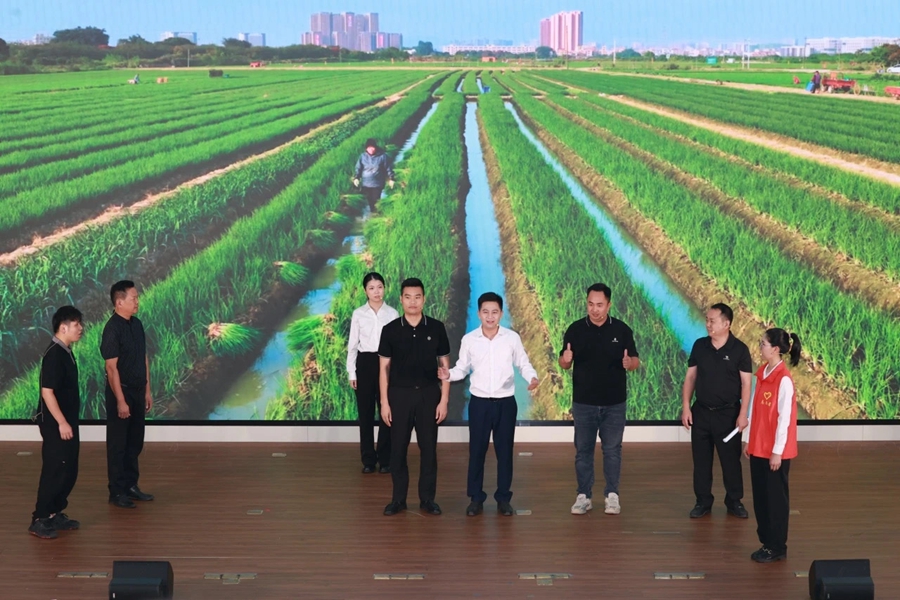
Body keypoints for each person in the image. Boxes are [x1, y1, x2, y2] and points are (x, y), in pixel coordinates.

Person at [440, 292, 539, 517]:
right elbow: (462, 368)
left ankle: (503, 498)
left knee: (505, 453)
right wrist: (449, 374)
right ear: (478, 314)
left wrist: (532, 377)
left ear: (501, 314)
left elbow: (523, 363)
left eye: (495, 312)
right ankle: (476, 498)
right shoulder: (469, 339)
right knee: (477, 451)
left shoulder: (511, 338)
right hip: (480, 404)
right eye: (485, 312)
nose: (490, 316)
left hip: (505, 403)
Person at [559, 283, 640, 516]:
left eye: (600, 305)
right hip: (584, 403)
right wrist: (565, 359)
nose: (595, 310)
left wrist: (630, 364)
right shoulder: (575, 329)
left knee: (612, 450)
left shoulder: (622, 330)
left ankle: (612, 495)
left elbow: (635, 361)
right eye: (591, 304)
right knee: (583, 451)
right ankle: (583, 496)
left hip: (614, 403)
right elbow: (563, 363)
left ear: (609, 305)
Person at [377, 278, 450, 516]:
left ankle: (427, 499)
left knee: (428, 449)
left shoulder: (436, 328)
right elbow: (383, 369)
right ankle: (398, 500)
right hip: (399, 396)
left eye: (417, 297)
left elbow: (445, 366)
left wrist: (444, 400)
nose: (413, 302)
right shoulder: (390, 330)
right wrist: (385, 403)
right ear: (401, 299)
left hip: (429, 395)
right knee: (398, 449)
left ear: (424, 299)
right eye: (408, 297)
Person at [681, 303, 752, 519]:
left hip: (728, 415)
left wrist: (743, 414)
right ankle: (703, 502)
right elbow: (691, 377)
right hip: (701, 412)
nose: (708, 324)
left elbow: (746, 384)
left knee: (731, 462)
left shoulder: (739, 349)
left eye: (712, 321)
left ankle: (734, 501)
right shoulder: (700, 346)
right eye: (707, 320)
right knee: (701, 462)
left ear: (726, 323)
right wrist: (686, 406)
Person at [744, 328, 801, 563]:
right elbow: (754, 409)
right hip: (758, 447)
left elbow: (784, 419)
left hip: (774, 452)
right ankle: (766, 543)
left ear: (775, 349)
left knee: (775, 500)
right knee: (761, 497)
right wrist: (748, 439)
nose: (760, 347)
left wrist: (777, 452)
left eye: (763, 344)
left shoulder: (783, 379)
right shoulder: (763, 373)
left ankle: (777, 546)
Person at [29, 306, 84, 539]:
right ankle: (40, 518)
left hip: (67, 422)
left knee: (68, 469)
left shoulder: (65, 351)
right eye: (76, 324)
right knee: (55, 469)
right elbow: (47, 392)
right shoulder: (54, 354)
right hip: (56, 424)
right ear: (63, 327)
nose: (81, 328)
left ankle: (54, 512)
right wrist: (62, 422)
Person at [101, 280, 154, 509]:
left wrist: (147, 390)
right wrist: (121, 401)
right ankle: (117, 491)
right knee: (118, 444)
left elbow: (143, 358)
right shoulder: (112, 329)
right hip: (120, 393)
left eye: (137, 298)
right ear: (119, 302)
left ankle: (131, 485)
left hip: (138, 390)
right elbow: (111, 368)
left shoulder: (137, 324)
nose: (137, 302)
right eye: (134, 298)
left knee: (135, 441)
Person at [347, 272, 399, 474]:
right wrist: (352, 373)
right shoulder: (358, 314)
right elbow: (353, 345)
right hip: (365, 363)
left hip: (387, 363)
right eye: (371, 288)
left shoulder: (392, 313)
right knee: (366, 412)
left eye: (379, 287)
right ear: (365, 291)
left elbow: (398, 346)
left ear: (384, 288)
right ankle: (368, 459)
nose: (376, 292)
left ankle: (385, 459)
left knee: (387, 411)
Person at [353, 138, 395, 212]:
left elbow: (388, 168)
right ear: (366, 148)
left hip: (377, 184)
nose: (371, 149)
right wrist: (356, 177)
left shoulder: (382, 156)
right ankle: (373, 212)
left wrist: (391, 178)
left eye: (372, 147)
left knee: (376, 200)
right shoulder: (363, 156)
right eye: (369, 148)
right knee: (370, 201)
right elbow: (358, 168)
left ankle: (376, 213)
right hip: (366, 184)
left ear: (375, 147)